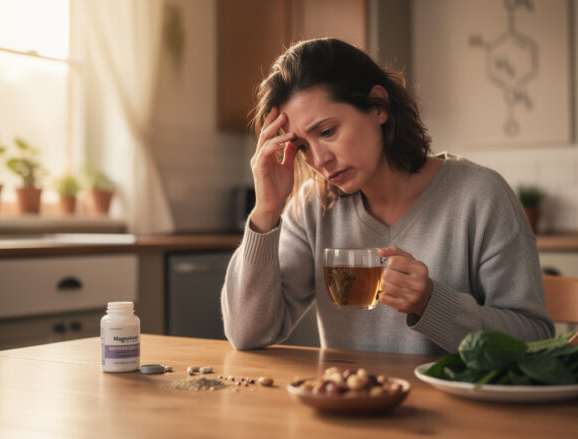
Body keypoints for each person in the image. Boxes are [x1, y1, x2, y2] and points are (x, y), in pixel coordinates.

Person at [221, 38, 554, 355]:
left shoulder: (481, 196)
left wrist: (432, 302)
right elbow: (247, 333)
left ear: (378, 106)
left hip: (457, 410)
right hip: (348, 407)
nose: (319, 160)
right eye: (302, 146)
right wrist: (265, 211)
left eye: (327, 131)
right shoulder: (312, 207)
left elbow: (534, 338)